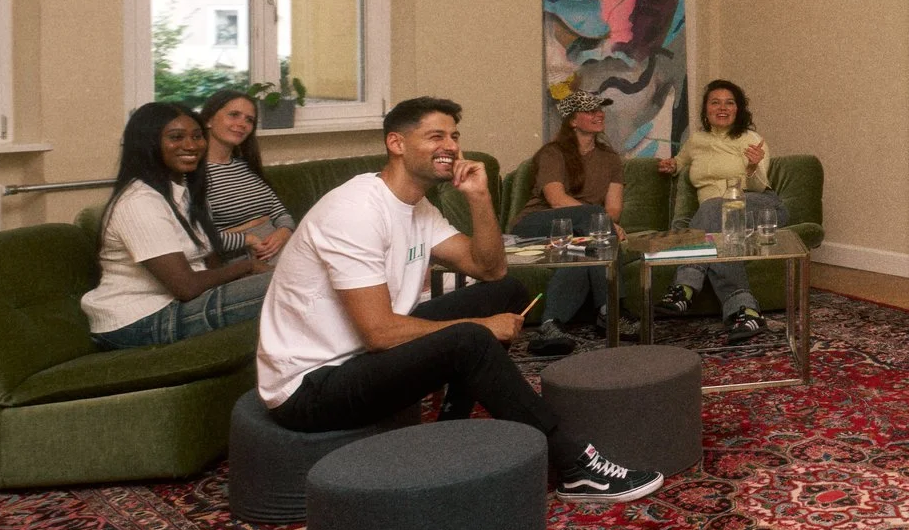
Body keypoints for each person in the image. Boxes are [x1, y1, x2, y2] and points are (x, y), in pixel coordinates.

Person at [255, 95, 661, 503]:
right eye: (435, 136)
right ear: (396, 143)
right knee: (471, 339)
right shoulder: (356, 210)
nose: (449, 146)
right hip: (310, 386)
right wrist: (479, 328)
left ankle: (452, 418)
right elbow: (378, 332)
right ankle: (576, 468)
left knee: (506, 294)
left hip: (358, 356)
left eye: (454, 136)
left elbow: (490, 270)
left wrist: (479, 198)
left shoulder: (418, 208)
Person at [83, 101, 274, 348]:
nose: (191, 145)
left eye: (197, 136)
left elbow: (210, 261)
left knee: (295, 279)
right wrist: (248, 267)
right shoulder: (138, 201)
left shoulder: (184, 193)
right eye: (176, 137)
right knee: (288, 285)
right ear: (148, 143)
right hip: (136, 322)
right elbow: (185, 287)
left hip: (180, 304)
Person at [656, 79, 782, 344]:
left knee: (712, 206)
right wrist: (671, 165)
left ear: (738, 109)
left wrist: (752, 167)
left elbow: (760, 186)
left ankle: (685, 285)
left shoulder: (752, 140)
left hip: (759, 206)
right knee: (716, 234)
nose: (722, 108)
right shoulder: (697, 141)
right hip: (718, 217)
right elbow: (681, 161)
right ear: (706, 109)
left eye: (729, 102)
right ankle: (745, 311)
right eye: (715, 102)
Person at [514, 90, 625, 350]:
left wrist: (603, 224)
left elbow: (614, 208)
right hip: (537, 224)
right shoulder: (553, 153)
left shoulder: (611, 159)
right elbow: (556, 199)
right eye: (590, 110)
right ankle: (612, 309)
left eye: (601, 109)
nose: (599, 114)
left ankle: (551, 325)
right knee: (593, 224)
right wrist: (600, 221)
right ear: (573, 120)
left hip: (581, 232)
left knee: (581, 252)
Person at [196, 87, 294, 260]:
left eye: (249, 120)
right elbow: (199, 237)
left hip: (284, 247)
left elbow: (281, 213)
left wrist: (284, 232)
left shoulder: (246, 166)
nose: (242, 124)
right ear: (208, 120)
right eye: (234, 115)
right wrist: (247, 239)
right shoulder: (194, 173)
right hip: (243, 257)